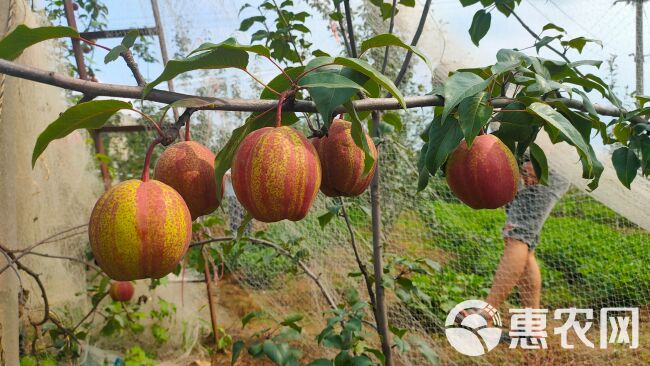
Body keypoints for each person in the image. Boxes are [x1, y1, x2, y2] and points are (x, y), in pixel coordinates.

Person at [485, 155, 570, 310]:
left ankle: (486, 313)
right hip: (523, 163)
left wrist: (537, 162)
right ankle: (531, 329)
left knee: (517, 238)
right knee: (525, 247)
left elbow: (557, 132)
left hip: (542, 162)